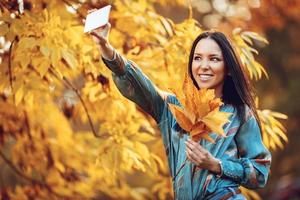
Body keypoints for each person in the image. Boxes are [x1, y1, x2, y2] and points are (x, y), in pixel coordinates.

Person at [91, 23, 271, 200]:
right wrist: (105, 46)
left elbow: (260, 172)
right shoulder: (174, 108)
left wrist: (217, 165)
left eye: (214, 59)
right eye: (198, 58)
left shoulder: (240, 113)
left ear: (229, 69)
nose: (204, 65)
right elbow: (140, 85)